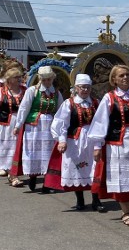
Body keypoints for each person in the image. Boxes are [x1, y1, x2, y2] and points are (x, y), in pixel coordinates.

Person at [87, 64, 129, 227]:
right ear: (114, 80)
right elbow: (100, 122)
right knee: (122, 178)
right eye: (121, 75)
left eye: (128, 75)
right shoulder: (109, 98)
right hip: (118, 144)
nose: (125, 78)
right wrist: (97, 145)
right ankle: (126, 210)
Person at [45, 73, 105, 212]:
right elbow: (61, 123)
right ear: (76, 88)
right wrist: (61, 140)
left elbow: (102, 123)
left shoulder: (96, 103)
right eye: (82, 87)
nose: (85, 90)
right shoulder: (69, 103)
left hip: (93, 141)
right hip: (75, 142)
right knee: (76, 169)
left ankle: (96, 200)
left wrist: (99, 142)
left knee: (94, 169)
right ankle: (80, 200)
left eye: (88, 88)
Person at [11, 65, 62, 191]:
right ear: (40, 79)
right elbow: (24, 108)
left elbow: (61, 110)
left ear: (52, 78)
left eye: (49, 79)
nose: (47, 82)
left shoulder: (56, 92)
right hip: (34, 127)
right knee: (33, 152)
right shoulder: (32, 91)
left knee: (48, 154)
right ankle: (33, 177)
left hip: (50, 127)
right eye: (44, 80)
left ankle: (46, 182)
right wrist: (18, 125)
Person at [0, 67, 26, 181]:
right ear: (9, 79)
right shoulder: (0, 92)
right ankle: (8, 171)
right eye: (16, 77)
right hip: (5, 125)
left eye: (20, 77)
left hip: (21, 124)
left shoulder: (25, 91)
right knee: (6, 148)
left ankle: (13, 172)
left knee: (17, 148)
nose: (19, 79)